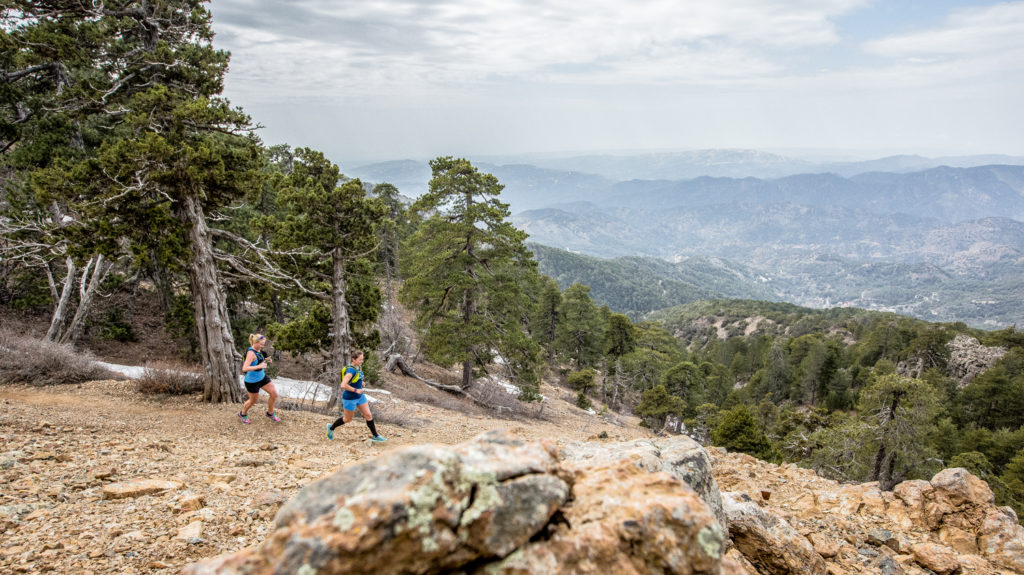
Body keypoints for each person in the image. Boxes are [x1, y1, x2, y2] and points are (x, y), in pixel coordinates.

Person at [326, 350, 386, 442]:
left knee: (368, 415)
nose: (362, 361)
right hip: (350, 398)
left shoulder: (359, 367)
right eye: (360, 360)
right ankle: (331, 428)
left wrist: (361, 382)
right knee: (347, 419)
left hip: (360, 396)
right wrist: (355, 390)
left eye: (362, 359)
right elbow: (343, 385)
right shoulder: (350, 371)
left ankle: (375, 435)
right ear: (353, 359)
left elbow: (356, 378)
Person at [238, 333, 280, 424]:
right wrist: (259, 366)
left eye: (263, 344)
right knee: (253, 401)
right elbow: (244, 368)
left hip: (262, 377)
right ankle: (242, 413)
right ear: (255, 342)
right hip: (252, 381)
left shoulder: (259, 351)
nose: (262, 346)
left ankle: (270, 413)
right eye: (261, 344)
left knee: (274, 394)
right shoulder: (251, 353)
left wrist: (266, 360)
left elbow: (260, 360)